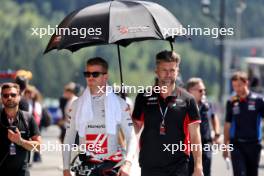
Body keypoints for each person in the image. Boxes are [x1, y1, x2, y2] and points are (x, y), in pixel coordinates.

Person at [132, 50, 203, 176]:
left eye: (172, 70)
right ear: (156, 71)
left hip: (178, 166)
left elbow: (195, 136)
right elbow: (135, 128)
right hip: (149, 165)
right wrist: (125, 116)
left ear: (177, 72)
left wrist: (198, 166)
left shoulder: (188, 100)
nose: (168, 74)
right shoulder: (143, 96)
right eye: (164, 70)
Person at [63, 57, 137, 176]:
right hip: (85, 166)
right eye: (87, 74)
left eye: (95, 74)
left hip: (111, 166)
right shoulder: (77, 104)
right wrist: (66, 168)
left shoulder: (120, 103)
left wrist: (128, 164)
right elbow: (69, 138)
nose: (90, 77)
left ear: (105, 76)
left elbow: (131, 137)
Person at [223, 71, 264, 176]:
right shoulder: (231, 102)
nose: (237, 89)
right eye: (234, 86)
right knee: (239, 173)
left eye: (239, 85)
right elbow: (227, 124)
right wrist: (225, 146)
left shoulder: (259, 100)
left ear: (246, 83)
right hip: (236, 145)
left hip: (254, 145)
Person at [0, 82, 41, 176]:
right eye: (5, 95)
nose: (9, 98)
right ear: (2, 98)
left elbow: (39, 147)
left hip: (22, 172)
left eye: (13, 95)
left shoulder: (28, 118)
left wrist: (21, 141)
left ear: (19, 96)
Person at [186, 78, 221, 176]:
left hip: (206, 145)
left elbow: (214, 118)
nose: (203, 92)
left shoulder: (207, 105)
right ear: (190, 90)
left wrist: (217, 134)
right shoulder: (183, 105)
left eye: (204, 90)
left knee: (205, 172)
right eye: (200, 90)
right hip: (188, 145)